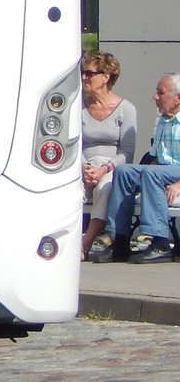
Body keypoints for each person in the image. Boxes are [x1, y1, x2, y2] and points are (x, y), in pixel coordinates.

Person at [92, 73, 180, 264]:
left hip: (175, 172)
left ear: (177, 98)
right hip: (161, 172)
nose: (154, 97)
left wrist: (178, 184)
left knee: (150, 173)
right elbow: (153, 158)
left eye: (160, 93)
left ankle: (161, 243)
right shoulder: (164, 120)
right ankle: (120, 241)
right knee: (124, 172)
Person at [80, 52, 136, 260]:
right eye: (83, 72)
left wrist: (103, 169)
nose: (84, 77)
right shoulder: (78, 107)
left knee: (106, 187)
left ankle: (85, 243)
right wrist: (84, 167)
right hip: (83, 165)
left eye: (89, 73)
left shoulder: (126, 109)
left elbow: (127, 152)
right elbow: (73, 143)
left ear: (106, 77)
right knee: (67, 189)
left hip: (110, 167)